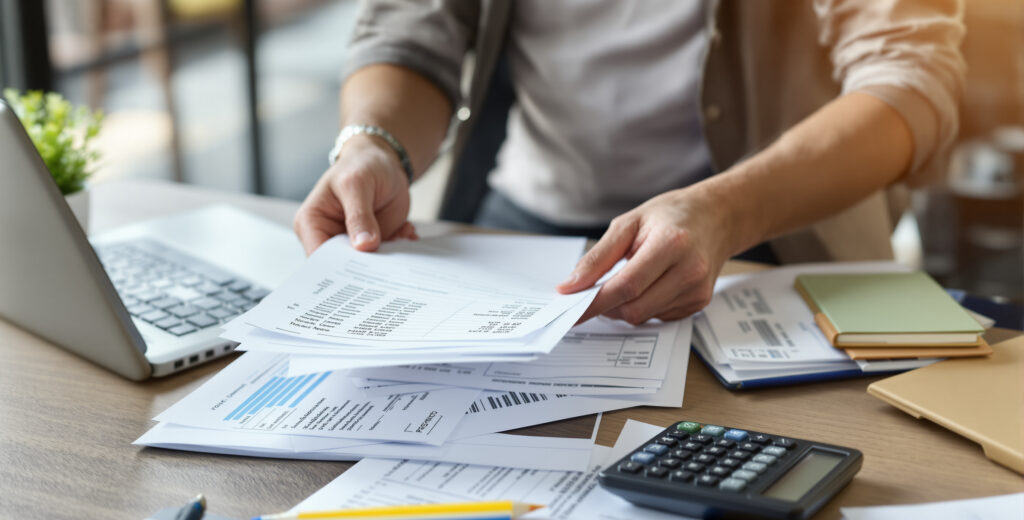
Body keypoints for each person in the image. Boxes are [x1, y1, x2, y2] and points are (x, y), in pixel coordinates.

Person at [293, 0, 965, 325]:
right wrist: (375, 143)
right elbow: (409, 23)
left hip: (773, 238)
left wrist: (723, 211)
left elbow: (912, 78)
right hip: (524, 226)